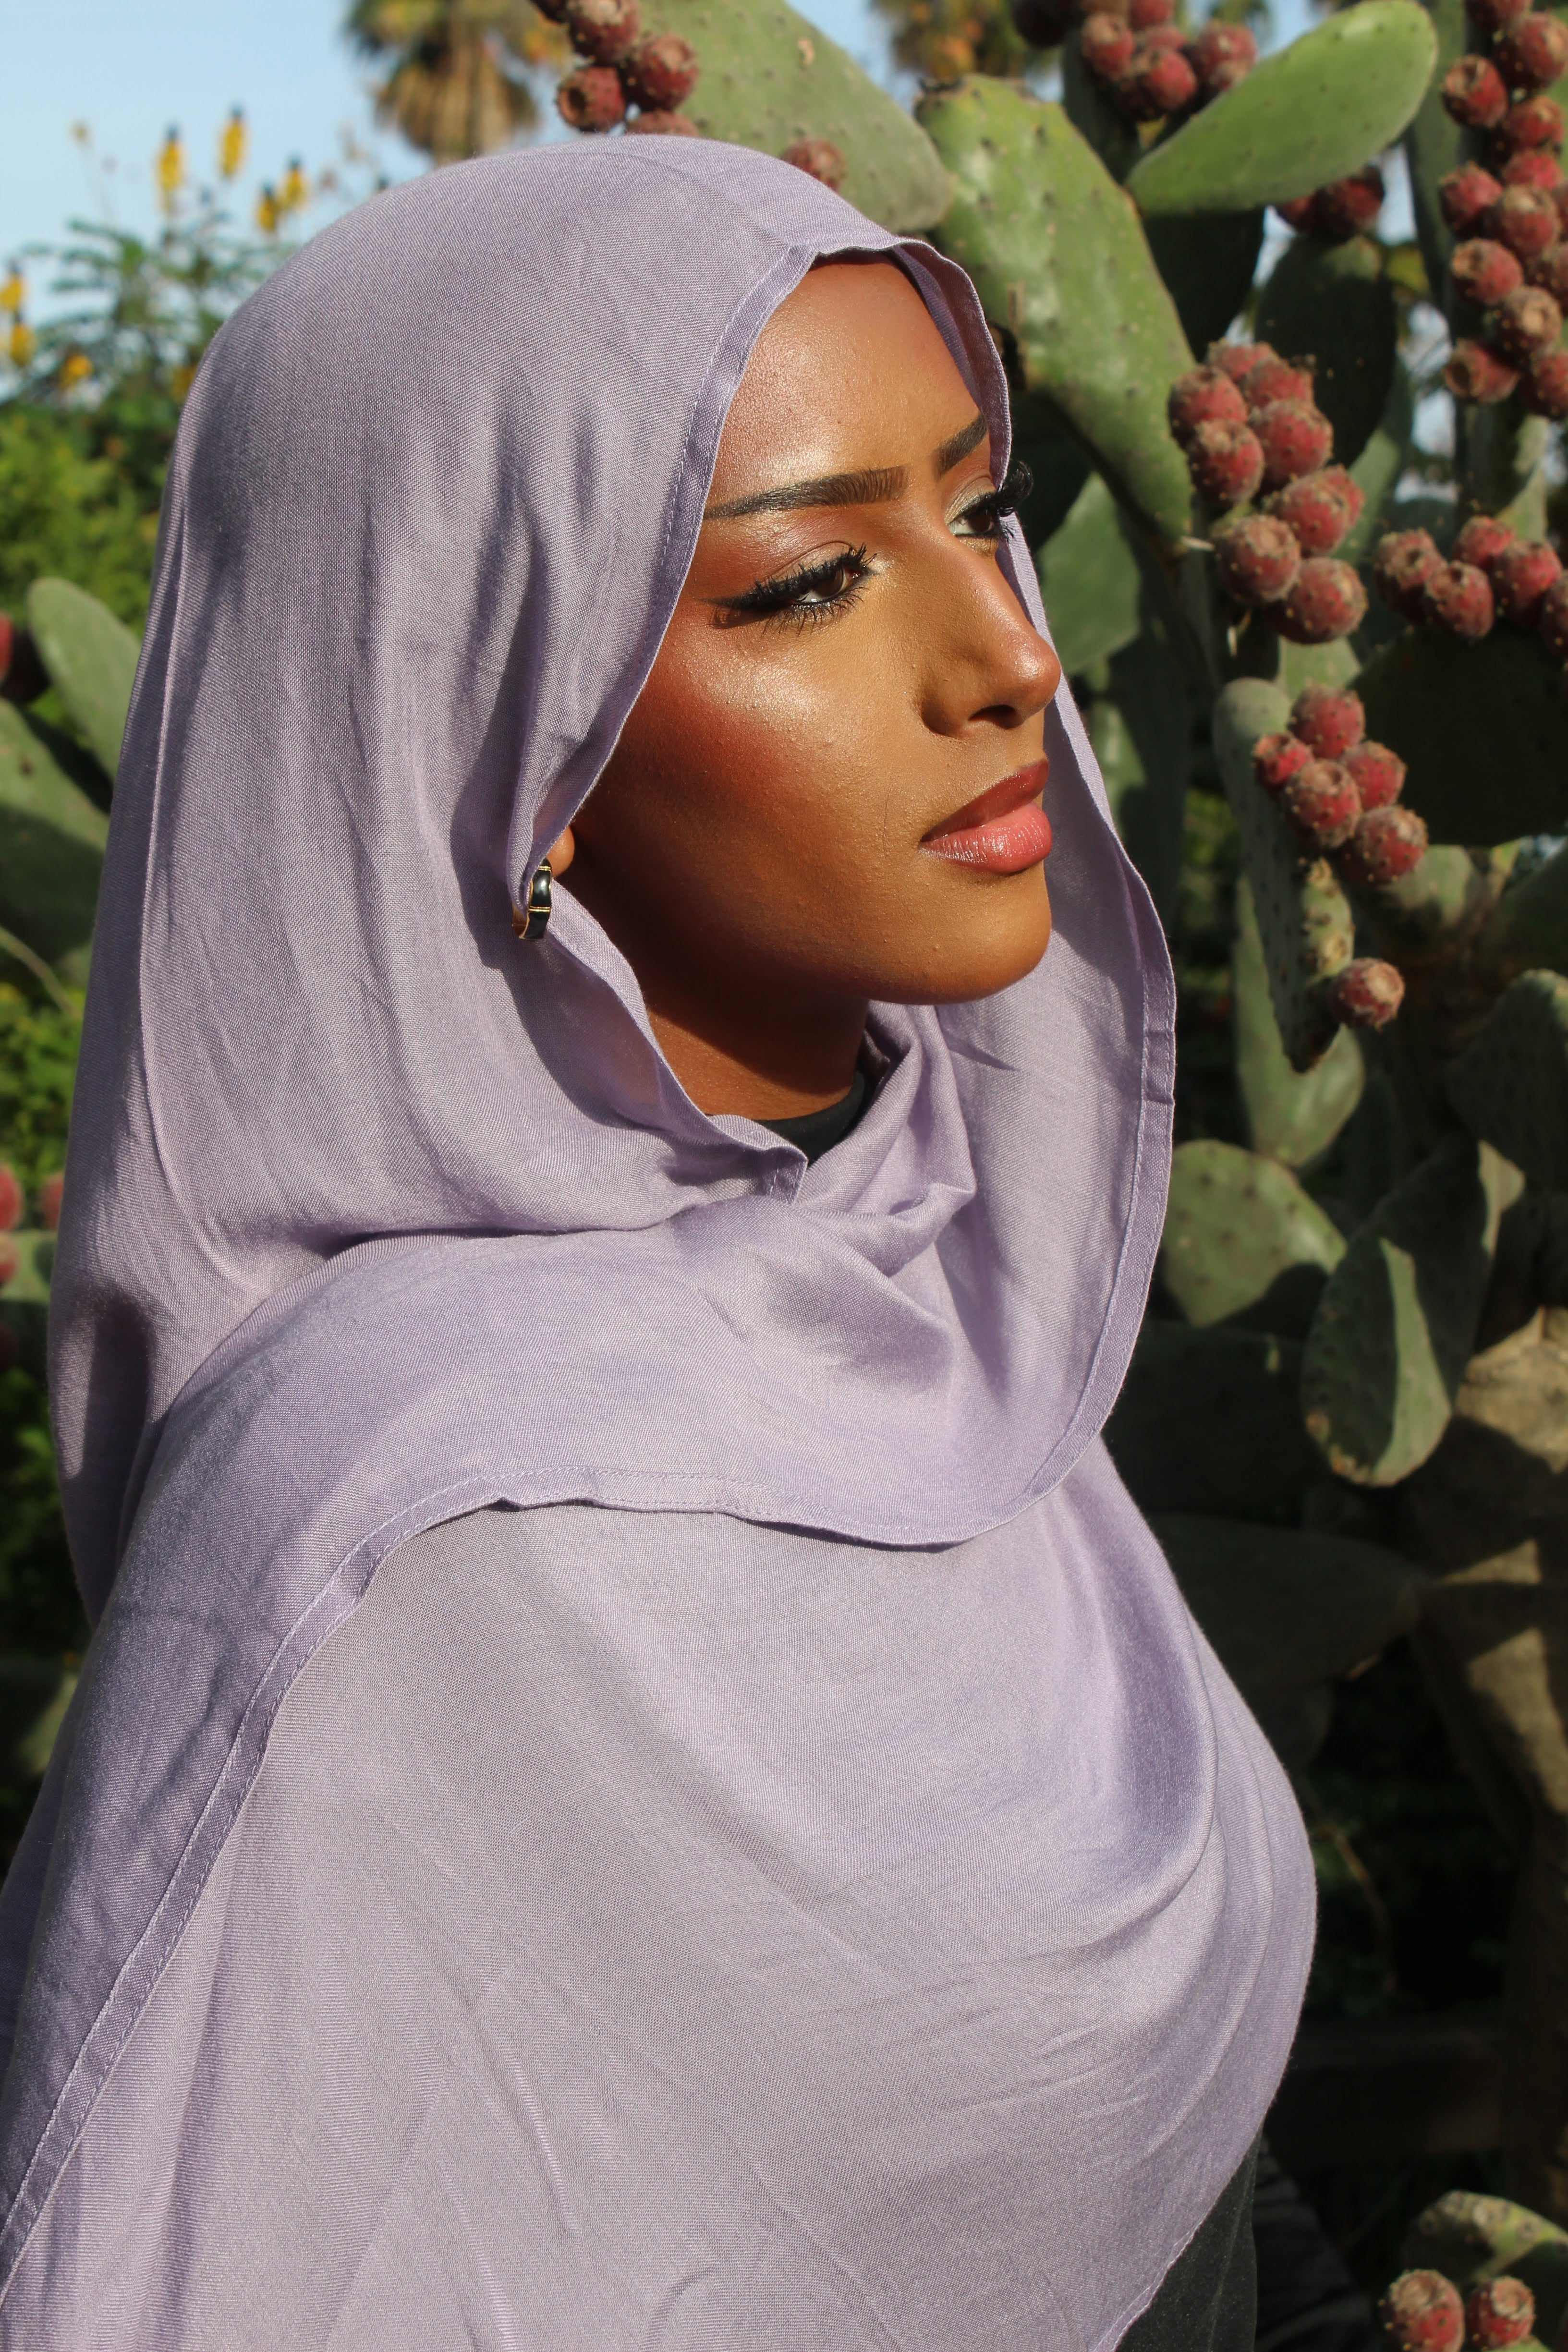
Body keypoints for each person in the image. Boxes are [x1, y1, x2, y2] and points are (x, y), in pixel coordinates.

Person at [0, 139, 1314, 2345]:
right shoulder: (430, 1531)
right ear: (484, 714)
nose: (1009, 654)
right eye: (810, 583)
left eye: (982, 511)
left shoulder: (912, 1296)